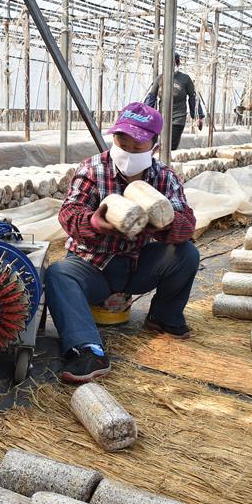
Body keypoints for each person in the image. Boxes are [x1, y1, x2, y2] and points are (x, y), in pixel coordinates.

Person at [46, 102, 199, 383]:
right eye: (121, 142)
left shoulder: (164, 177)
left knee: (186, 254)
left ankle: (164, 317)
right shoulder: (92, 169)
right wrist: (94, 223)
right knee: (58, 273)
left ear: (154, 146)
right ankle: (87, 349)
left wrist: (165, 224)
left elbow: (187, 223)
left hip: (138, 265)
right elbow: (69, 213)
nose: (127, 151)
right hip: (92, 265)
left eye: (136, 146)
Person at [143, 53, 205, 150]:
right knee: (155, 145)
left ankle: (167, 158)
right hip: (161, 118)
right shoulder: (159, 79)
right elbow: (151, 97)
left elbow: (193, 98)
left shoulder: (185, 79)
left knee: (170, 147)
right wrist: (143, 114)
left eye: (173, 62)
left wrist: (198, 116)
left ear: (177, 63)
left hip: (178, 118)